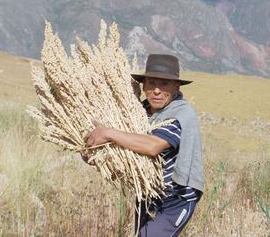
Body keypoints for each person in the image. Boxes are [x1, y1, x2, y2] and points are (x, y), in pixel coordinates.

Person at [85, 54, 204, 236]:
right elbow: (124, 147)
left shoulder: (181, 114)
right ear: (144, 85)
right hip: (147, 195)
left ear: (176, 87)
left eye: (164, 84)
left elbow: (152, 146)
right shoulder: (140, 112)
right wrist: (93, 151)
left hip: (176, 199)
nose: (156, 91)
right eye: (151, 83)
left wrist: (108, 133)